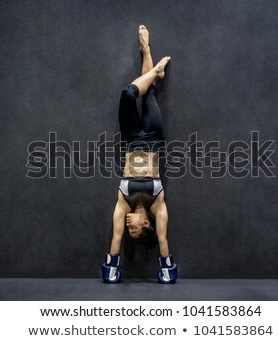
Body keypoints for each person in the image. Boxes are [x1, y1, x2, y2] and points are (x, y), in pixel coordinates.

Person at [102, 25, 177, 284]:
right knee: (150, 94)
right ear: (146, 224)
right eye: (132, 227)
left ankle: (152, 63)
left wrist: (111, 270)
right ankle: (151, 62)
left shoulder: (123, 202)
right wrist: (167, 271)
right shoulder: (159, 205)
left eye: (128, 227)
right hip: (155, 139)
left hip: (131, 138)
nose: (127, 225)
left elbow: (115, 238)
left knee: (128, 94)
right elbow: (164, 240)